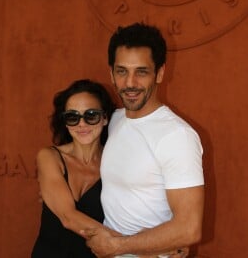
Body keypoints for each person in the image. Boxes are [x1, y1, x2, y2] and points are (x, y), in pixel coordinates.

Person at [81, 23, 205, 258]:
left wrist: (117, 246)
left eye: (141, 72)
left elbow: (189, 228)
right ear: (111, 73)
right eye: (122, 71)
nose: (130, 83)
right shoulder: (115, 120)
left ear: (159, 73)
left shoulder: (177, 136)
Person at [31, 79, 115, 257]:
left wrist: (162, 241)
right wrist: (133, 248)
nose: (81, 124)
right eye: (72, 117)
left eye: (91, 115)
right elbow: (68, 217)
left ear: (105, 118)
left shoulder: (116, 163)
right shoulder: (49, 157)